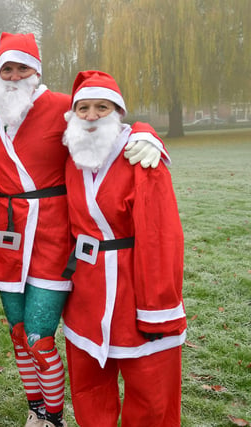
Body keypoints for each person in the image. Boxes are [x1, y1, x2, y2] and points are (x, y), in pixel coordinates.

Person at [0, 33, 167, 427]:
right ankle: (35, 411)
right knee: (17, 334)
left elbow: (106, 121)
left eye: (22, 67)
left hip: (54, 237)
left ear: (37, 70)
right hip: (7, 239)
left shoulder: (64, 105)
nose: (14, 76)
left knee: (39, 336)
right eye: (7, 69)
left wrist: (147, 132)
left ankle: (54, 415)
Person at [60, 70, 186, 426]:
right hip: (85, 289)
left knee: (150, 388)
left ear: (118, 112)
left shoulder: (141, 157)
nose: (91, 115)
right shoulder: (72, 153)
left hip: (135, 288)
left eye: (102, 107)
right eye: (83, 108)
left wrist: (158, 306)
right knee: (88, 386)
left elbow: (161, 236)